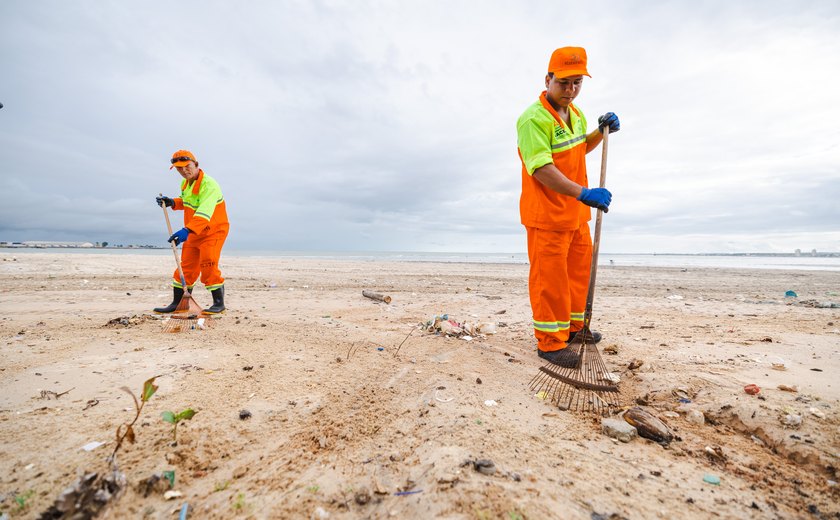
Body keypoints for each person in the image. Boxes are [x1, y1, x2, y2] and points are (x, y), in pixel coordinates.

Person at [516, 47, 620, 368]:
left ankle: (575, 329)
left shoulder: (576, 115)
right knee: (551, 281)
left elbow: (576, 151)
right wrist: (585, 193)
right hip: (547, 215)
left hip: (576, 216)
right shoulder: (533, 119)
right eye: (564, 83)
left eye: (577, 83)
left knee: (577, 275)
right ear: (548, 79)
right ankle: (549, 343)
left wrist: (600, 133)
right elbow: (543, 169)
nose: (571, 90)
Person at [154, 149, 230, 314]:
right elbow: (187, 202)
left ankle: (219, 304)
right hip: (194, 231)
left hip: (213, 231)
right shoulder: (185, 184)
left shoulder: (209, 185)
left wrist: (186, 231)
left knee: (208, 263)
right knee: (187, 266)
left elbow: (204, 212)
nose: (183, 171)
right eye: (179, 169)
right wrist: (172, 202)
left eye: (186, 166)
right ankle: (179, 303)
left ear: (196, 164)